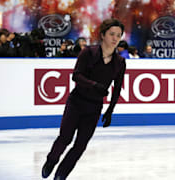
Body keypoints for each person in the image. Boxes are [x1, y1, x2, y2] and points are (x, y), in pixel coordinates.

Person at [41, 18, 126, 180]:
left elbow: (117, 88)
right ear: (103, 35)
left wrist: (110, 110)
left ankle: (61, 175)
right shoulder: (88, 52)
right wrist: (94, 85)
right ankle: (51, 160)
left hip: (94, 108)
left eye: (118, 35)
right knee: (65, 138)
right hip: (76, 103)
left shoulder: (120, 62)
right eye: (112, 34)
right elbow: (76, 76)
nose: (115, 38)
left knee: (80, 146)